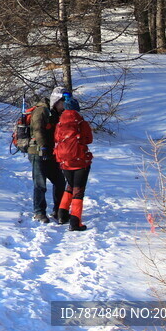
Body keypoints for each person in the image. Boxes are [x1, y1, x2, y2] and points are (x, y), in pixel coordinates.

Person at [54, 92, 93, 232]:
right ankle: (75, 222)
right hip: (80, 161)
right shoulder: (81, 122)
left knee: (69, 185)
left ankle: (62, 215)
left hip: (63, 161)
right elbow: (89, 139)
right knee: (78, 190)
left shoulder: (60, 123)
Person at [28, 88, 66, 224]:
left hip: (51, 153)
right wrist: (43, 146)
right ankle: (39, 212)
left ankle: (58, 211)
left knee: (60, 182)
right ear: (56, 101)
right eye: (63, 102)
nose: (65, 105)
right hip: (37, 152)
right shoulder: (42, 111)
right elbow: (38, 130)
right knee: (40, 184)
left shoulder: (57, 113)